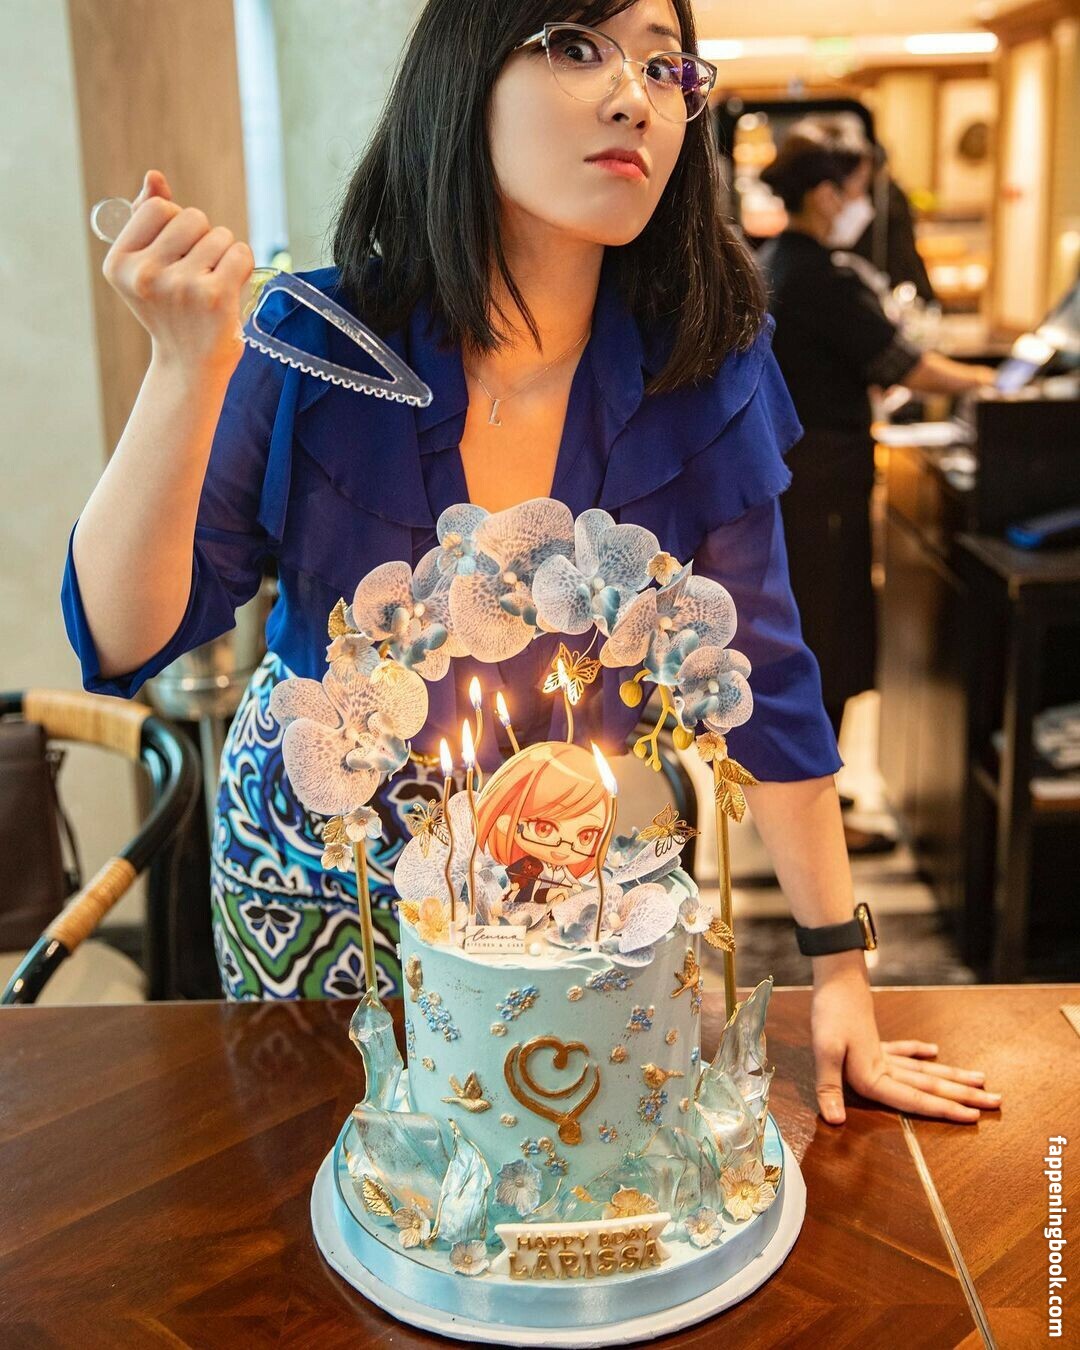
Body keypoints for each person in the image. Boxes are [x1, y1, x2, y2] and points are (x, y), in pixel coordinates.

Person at [64, 0, 999, 1126]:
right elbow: (122, 635)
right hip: (320, 875)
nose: (634, 97)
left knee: (573, 1164)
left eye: (665, 65)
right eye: (577, 46)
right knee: (329, 1183)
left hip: (570, 875)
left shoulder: (705, 363)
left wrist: (838, 968)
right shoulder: (320, 340)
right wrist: (180, 369)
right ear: (466, 72)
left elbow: (758, 677)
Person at [757, 122, 996, 854]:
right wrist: (992, 382)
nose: (862, 204)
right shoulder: (820, 276)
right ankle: (818, 819)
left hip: (799, 481)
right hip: (822, 484)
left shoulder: (779, 262)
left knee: (814, 634)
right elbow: (904, 364)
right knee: (827, 640)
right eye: (858, 190)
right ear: (827, 194)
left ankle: (815, 797)